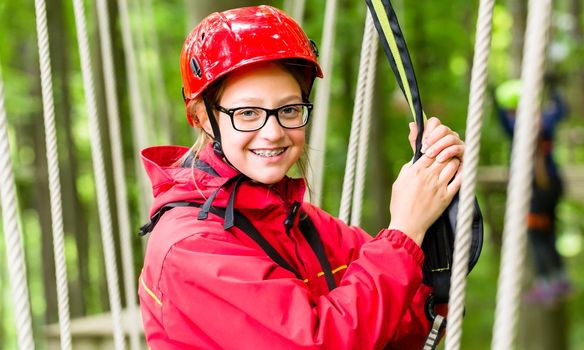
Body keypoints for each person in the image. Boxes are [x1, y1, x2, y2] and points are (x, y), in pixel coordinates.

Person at [137, 6, 465, 349]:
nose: (273, 132)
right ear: (203, 116)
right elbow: (318, 342)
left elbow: (404, 321)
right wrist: (405, 230)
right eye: (248, 113)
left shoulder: (303, 225)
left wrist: (437, 193)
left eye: (289, 110)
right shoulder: (190, 247)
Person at [494, 78, 571, 305]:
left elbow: (502, 119)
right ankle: (560, 278)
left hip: (535, 189)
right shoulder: (545, 120)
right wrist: (554, 88)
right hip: (553, 184)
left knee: (537, 236)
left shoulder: (518, 126)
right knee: (549, 233)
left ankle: (546, 283)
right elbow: (561, 109)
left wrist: (495, 98)